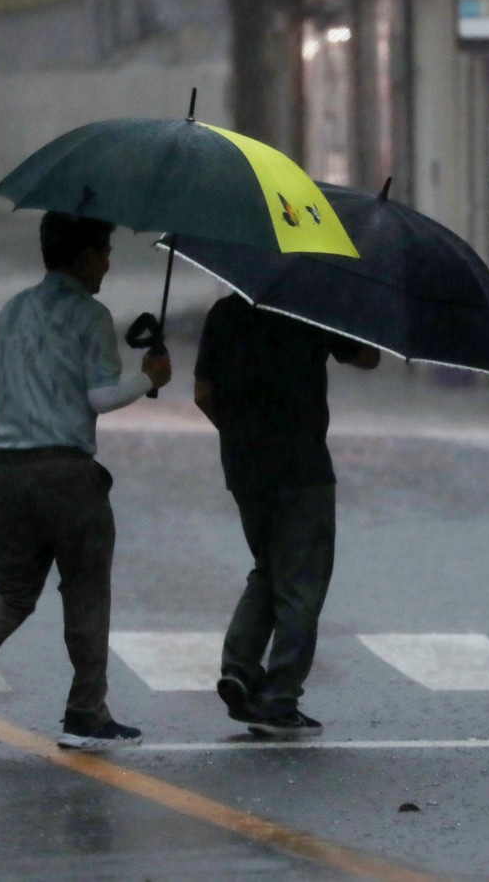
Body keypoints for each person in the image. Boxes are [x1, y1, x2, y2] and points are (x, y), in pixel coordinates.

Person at [0, 212, 172, 752]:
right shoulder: (91, 316)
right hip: (67, 473)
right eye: (103, 250)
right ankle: (86, 711)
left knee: (10, 590)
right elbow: (100, 397)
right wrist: (149, 376)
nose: (107, 262)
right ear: (81, 256)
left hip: (5, 473)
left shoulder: (11, 311)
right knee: (85, 587)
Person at [194, 292, 379, 738]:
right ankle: (279, 698)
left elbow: (203, 394)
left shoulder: (224, 312)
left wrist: (240, 434)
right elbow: (368, 357)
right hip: (302, 467)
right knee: (301, 585)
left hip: (244, 467)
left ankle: (239, 670)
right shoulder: (311, 305)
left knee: (268, 569)